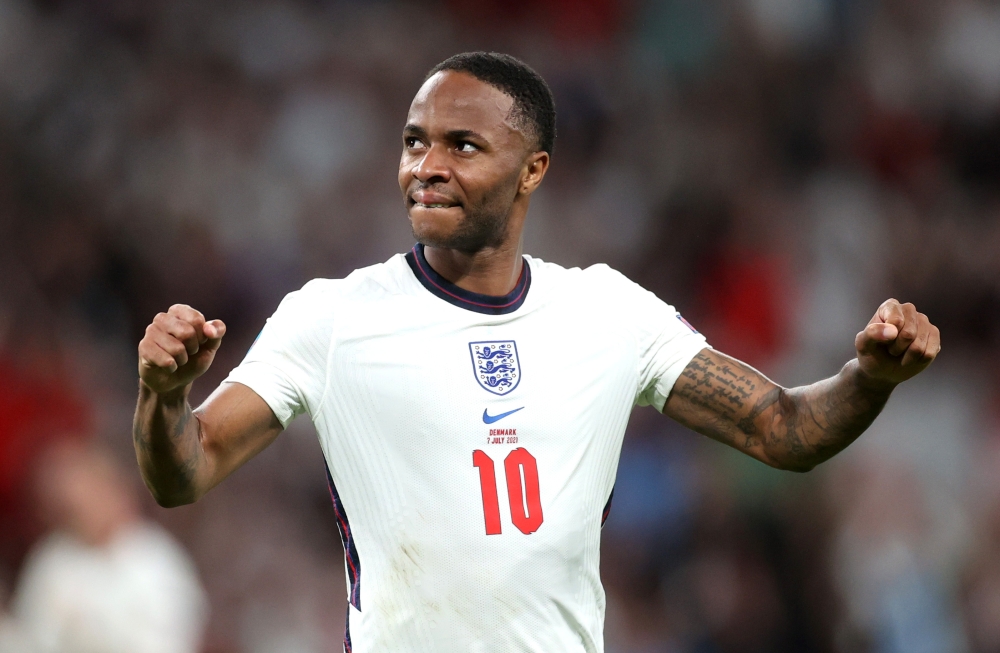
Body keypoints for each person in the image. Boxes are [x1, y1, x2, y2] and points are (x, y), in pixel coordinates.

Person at [132, 52, 941, 652]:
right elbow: (186, 471)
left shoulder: (606, 311)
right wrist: (163, 395)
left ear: (533, 170)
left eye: (462, 145)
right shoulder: (331, 317)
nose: (427, 167)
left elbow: (783, 430)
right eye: (414, 142)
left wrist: (869, 378)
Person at [6, 440, 207, 653]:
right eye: (69, 507)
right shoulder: (53, 558)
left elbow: (167, 644)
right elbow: (31, 635)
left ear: (113, 491)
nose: (81, 513)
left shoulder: (156, 562)